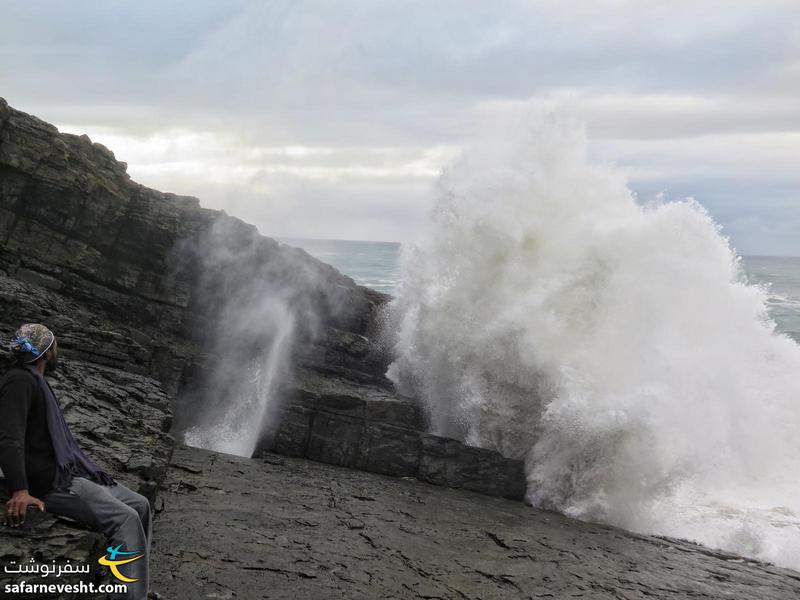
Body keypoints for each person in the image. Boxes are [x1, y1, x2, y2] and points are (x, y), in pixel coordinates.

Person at [0, 323, 159, 600]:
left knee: (141, 504)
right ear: (47, 353)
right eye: (54, 345)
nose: (57, 350)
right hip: (52, 483)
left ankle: (127, 587)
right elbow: (8, 437)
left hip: (68, 473)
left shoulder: (34, 380)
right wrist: (20, 490)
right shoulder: (19, 381)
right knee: (126, 519)